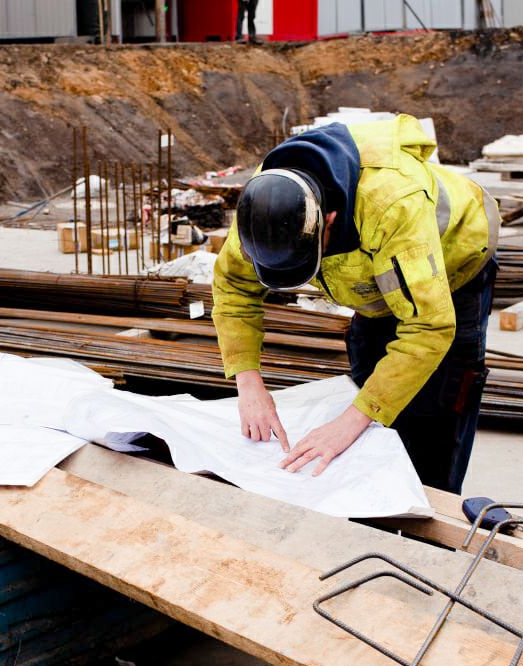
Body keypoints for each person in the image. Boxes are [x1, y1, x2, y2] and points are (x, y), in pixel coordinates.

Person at [211, 115, 500, 493]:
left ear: (328, 219)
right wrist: (248, 382)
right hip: (376, 282)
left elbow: (429, 326)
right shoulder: (269, 201)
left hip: (454, 265)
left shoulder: (391, 204)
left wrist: (348, 424)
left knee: (436, 411)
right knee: (367, 380)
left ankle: (429, 506)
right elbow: (233, 286)